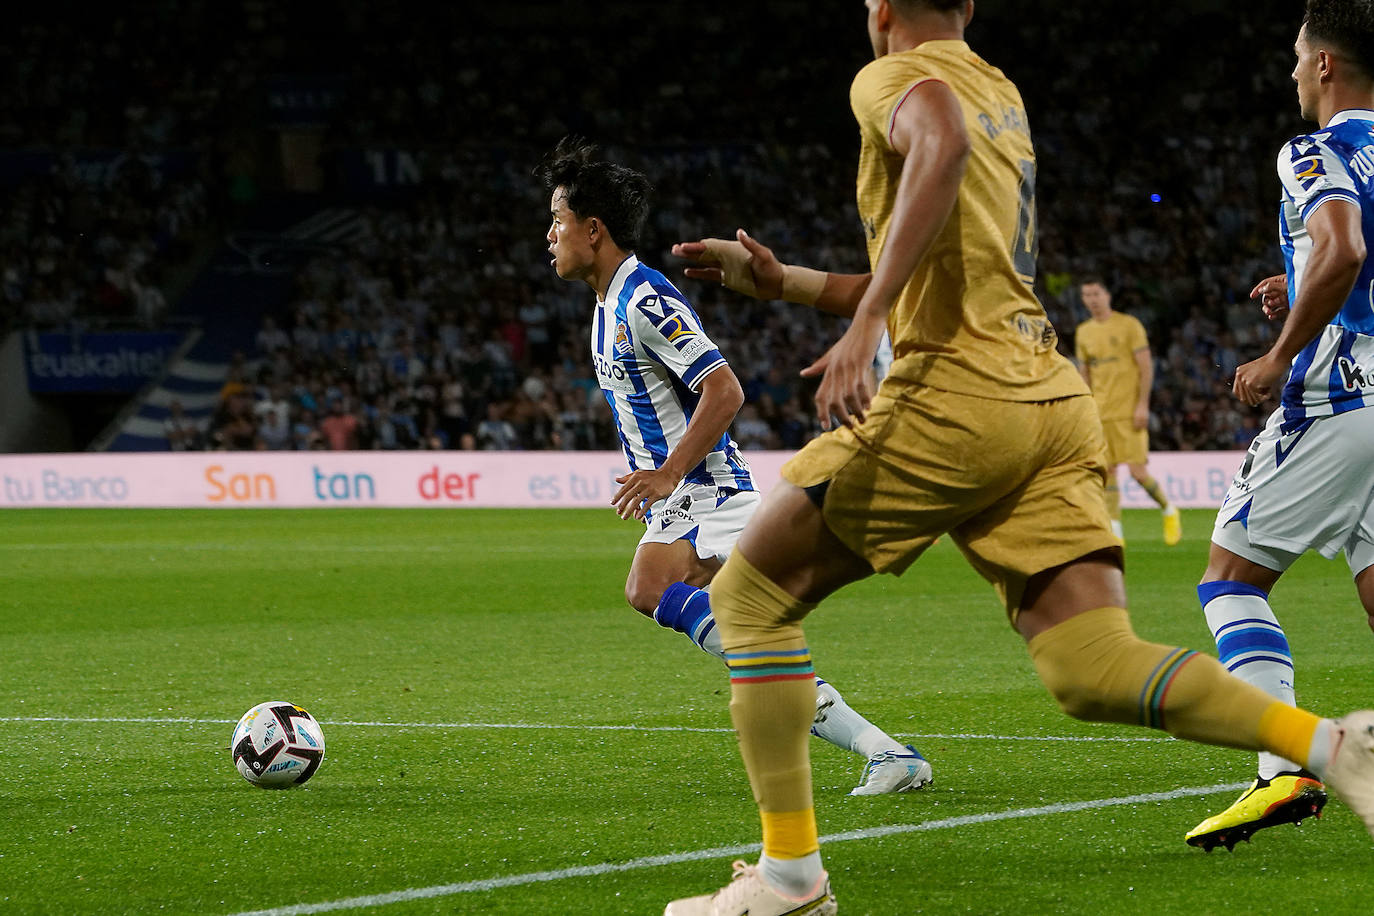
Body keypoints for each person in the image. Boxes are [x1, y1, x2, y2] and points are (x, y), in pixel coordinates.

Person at [666, 1, 1374, 913]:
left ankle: (791, 880)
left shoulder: (893, 79)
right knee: (1089, 664)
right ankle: (1334, 749)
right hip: (1047, 397)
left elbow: (940, 144)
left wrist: (871, 320)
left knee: (749, 599)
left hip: (957, 395)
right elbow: (954, 260)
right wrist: (786, 282)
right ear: (966, 6)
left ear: (880, 8)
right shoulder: (999, 89)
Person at [535, 136, 931, 797]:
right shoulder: (605, 305)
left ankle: (869, 762)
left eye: (558, 220)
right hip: (684, 494)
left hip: (703, 489)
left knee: (650, 588)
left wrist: (666, 473)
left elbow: (725, 388)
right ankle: (887, 753)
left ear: (593, 228)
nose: (549, 235)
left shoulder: (643, 299)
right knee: (751, 638)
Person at [1185, 0, 1374, 852]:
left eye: (1300, 58)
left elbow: (1345, 253)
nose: (1295, 72)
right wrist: (1295, 281)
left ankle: (1282, 767)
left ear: (1327, 64)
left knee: (1230, 577)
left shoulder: (1315, 149)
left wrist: (1278, 351)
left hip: (1340, 391)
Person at [1074, 277, 1181, 545]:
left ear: (1107, 295)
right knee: (1107, 472)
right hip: (1100, 412)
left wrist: (1143, 404)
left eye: (1096, 293)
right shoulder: (1083, 332)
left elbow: (1145, 367)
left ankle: (1169, 509)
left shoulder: (1128, 325)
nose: (1092, 300)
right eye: (1087, 296)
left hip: (1129, 411)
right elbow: (1084, 373)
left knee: (1137, 472)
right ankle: (1115, 532)